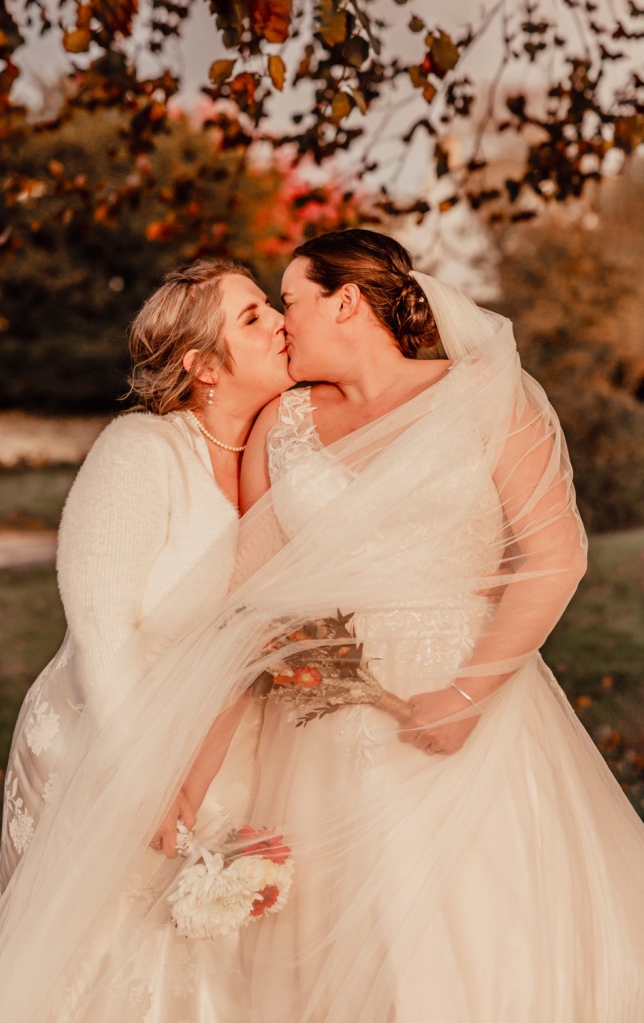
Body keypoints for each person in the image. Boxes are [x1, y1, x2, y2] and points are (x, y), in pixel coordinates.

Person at [234, 229, 644, 1020]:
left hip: (472, 705)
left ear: (344, 301)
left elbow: (555, 556)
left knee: (481, 932)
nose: (284, 324)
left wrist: (464, 694)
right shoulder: (279, 424)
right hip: (323, 721)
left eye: (291, 302)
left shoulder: (485, 394)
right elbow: (250, 585)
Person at [0, 260, 292, 1020]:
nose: (278, 320)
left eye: (269, 306)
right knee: (96, 947)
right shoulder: (142, 451)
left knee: (201, 961)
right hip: (109, 737)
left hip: (220, 745)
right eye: (252, 317)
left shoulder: (273, 458)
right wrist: (144, 774)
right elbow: (100, 621)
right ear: (203, 366)